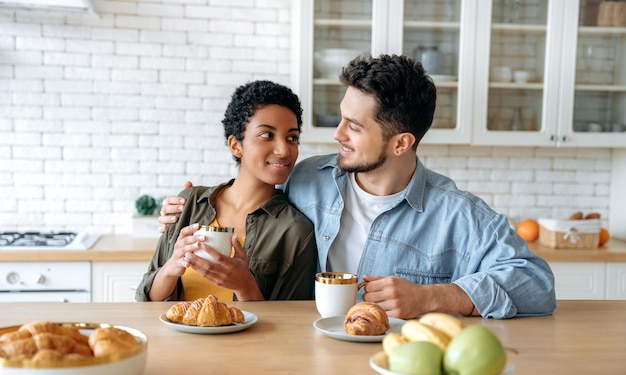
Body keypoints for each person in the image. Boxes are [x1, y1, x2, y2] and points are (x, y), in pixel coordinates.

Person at [158, 54, 556, 319]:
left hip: (395, 372)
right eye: (342, 118)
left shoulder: (458, 214)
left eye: (355, 126)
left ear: (401, 143)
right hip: (303, 362)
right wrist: (189, 207)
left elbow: (537, 284)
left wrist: (433, 297)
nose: (337, 134)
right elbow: (252, 196)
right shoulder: (308, 179)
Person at [136, 80, 318, 302]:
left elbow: (291, 326)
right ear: (235, 145)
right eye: (267, 135)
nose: (283, 150)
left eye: (292, 138)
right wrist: (171, 268)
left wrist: (245, 287)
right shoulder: (189, 204)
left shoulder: (296, 231)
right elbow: (146, 301)